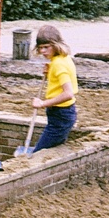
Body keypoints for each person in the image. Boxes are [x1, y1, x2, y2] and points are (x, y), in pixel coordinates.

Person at [30, 25, 78, 153]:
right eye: (40, 48)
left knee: (39, 152)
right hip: (64, 112)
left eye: (46, 47)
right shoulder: (63, 58)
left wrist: (42, 104)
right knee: (53, 149)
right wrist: (51, 68)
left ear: (56, 45)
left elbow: (68, 93)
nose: (43, 51)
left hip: (61, 114)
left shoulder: (58, 64)